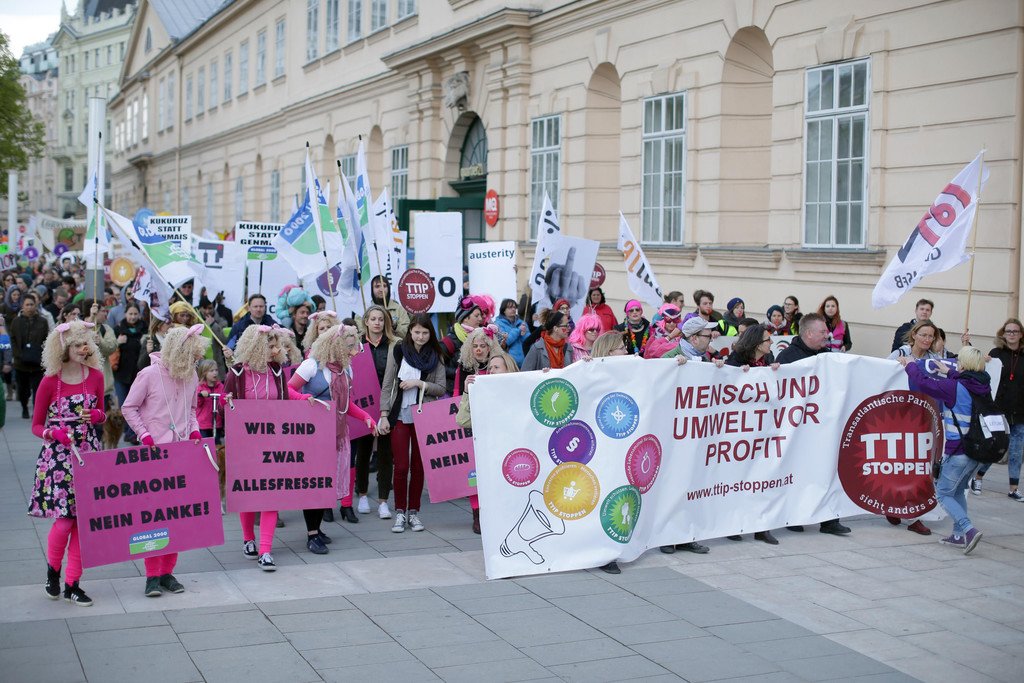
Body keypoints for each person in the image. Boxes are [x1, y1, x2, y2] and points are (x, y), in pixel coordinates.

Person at [121, 325, 208, 597]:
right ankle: (151, 576)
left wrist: (194, 430)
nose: (196, 359)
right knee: (154, 517)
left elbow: (191, 410)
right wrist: (144, 434)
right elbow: (128, 407)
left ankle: (168, 572)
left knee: (177, 517)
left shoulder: (191, 375)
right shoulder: (148, 374)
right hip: (153, 456)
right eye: (192, 354)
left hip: (181, 456)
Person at [29, 320, 106, 606]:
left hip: (88, 455)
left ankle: (73, 584)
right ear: (63, 348)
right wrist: (53, 433)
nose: (83, 349)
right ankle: (53, 572)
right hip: (59, 458)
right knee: (64, 522)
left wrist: (97, 416)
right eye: (77, 344)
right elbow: (36, 425)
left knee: (84, 524)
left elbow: (103, 413)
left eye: (85, 343)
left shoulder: (95, 376)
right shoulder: (50, 381)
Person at [288, 325, 377, 553]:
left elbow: (346, 404)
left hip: (336, 432)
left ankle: (316, 529)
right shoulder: (312, 365)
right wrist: (303, 398)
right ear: (335, 346)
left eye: (354, 346)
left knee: (327, 482)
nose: (353, 351)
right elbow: (287, 389)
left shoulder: (346, 370)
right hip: (313, 434)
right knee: (315, 483)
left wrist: (365, 416)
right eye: (349, 346)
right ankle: (312, 534)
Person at [900, 346, 989, 553]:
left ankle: (968, 529)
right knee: (957, 491)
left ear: (963, 364)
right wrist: (949, 372)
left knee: (942, 493)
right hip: (977, 450)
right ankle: (958, 535)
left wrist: (911, 365)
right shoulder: (983, 386)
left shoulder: (954, 387)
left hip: (958, 450)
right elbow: (965, 383)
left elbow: (924, 383)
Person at [776, 313, 851, 535]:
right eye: (822, 332)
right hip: (798, 428)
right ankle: (793, 516)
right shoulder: (788, 356)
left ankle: (829, 519)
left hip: (824, 426)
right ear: (809, 333)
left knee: (827, 472)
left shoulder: (827, 356)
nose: (827, 335)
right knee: (798, 474)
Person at [224, 324, 291, 570]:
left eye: (276, 346)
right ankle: (248, 539)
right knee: (249, 494)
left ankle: (265, 550)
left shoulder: (277, 372)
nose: (276, 351)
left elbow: (286, 402)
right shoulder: (237, 373)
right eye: (270, 346)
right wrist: (227, 402)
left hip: (273, 444)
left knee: (271, 494)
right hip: (245, 446)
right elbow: (225, 407)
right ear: (255, 347)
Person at [378, 314, 447, 533]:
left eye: (425, 333)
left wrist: (419, 383)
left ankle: (414, 512)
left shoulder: (435, 354)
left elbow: (441, 388)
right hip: (400, 414)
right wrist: (383, 414)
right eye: (417, 332)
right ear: (410, 332)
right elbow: (388, 383)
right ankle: (399, 512)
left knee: (418, 466)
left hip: (423, 415)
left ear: (430, 334)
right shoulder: (398, 350)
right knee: (401, 466)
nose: (420, 336)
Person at [724, 325, 781, 545]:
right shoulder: (736, 360)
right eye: (767, 340)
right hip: (739, 432)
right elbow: (725, 386)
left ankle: (761, 527)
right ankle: (733, 523)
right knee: (737, 479)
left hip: (761, 431)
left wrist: (775, 371)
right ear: (757, 343)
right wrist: (737, 374)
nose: (771, 343)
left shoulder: (768, 360)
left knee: (762, 479)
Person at [456, 351, 518, 534]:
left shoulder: (521, 390)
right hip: (493, 455)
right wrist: (467, 392)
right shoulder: (483, 393)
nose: (491, 371)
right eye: (490, 368)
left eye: (496, 367)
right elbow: (462, 421)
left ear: (508, 369)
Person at [970, 318, 1024, 500]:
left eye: (1015, 331)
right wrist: (984, 361)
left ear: (1021, 334)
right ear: (1003, 334)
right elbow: (982, 371)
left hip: (1020, 411)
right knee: (995, 447)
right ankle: (978, 477)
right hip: (999, 410)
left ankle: (1013, 488)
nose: (1011, 334)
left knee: (1016, 452)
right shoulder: (996, 353)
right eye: (1008, 331)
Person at [352, 305, 397, 520]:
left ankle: (383, 501)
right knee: (363, 451)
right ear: (366, 322)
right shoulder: (357, 344)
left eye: (381, 319)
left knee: (386, 454)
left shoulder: (394, 344)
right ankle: (362, 494)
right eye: (373, 319)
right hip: (364, 405)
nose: (377, 322)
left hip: (387, 403)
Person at [10, 292, 49, 419]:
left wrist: (42, 355)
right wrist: (18, 354)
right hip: (21, 363)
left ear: (35, 305)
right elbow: (13, 339)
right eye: (27, 305)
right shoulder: (16, 321)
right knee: (23, 389)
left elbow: (46, 340)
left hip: (37, 363)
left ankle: (36, 411)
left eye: (32, 304)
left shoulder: (42, 321)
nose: (29, 307)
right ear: (23, 305)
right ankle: (24, 407)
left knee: (38, 389)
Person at [113, 304, 145, 444]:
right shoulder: (118, 329)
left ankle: (133, 433)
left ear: (139, 315)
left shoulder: (144, 330)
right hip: (121, 374)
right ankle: (127, 431)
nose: (133, 316)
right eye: (130, 313)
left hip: (138, 375)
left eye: (135, 314)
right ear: (125, 314)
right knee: (123, 405)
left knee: (136, 405)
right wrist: (117, 342)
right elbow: (109, 349)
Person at [195, 359, 225, 442]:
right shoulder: (200, 387)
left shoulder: (220, 386)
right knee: (204, 444)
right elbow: (197, 404)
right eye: (211, 371)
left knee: (216, 444)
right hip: (203, 424)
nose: (215, 373)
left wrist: (225, 398)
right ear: (204, 373)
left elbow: (223, 402)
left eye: (216, 370)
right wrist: (201, 396)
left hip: (217, 423)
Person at [494, 298, 529, 367]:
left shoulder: (522, 323)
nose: (513, 309)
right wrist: (518, 330)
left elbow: (528, 342)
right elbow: (506, 341)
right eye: (510, 307)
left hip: (524, 362)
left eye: (514, 307)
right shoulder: (498, 324)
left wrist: (524, 333)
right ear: (504, 310)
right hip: (509, 363)